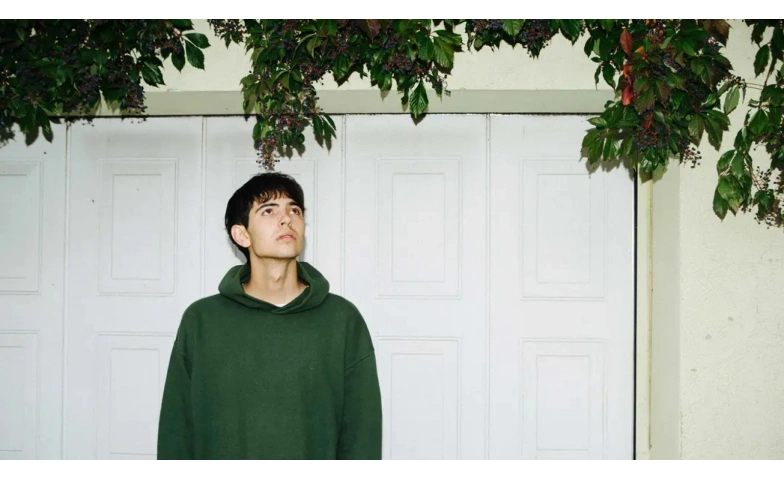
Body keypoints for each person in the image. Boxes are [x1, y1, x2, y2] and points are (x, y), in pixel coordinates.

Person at [156, 172, 382, 463]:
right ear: (242, 234)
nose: (286, 219)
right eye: (268, 211)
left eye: (294, 210)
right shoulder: (201, 321)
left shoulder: (341, 319)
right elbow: (176, 429)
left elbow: (363, 434)